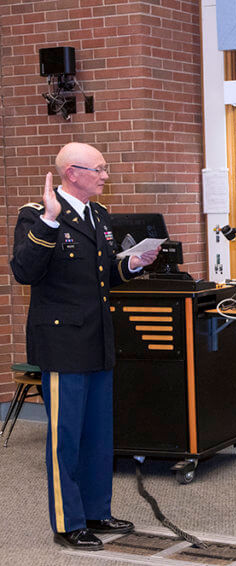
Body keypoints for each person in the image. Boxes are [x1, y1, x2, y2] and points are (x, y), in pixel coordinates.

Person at [10, 142, 159, 551]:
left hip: (98, 340)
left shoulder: (99, 215)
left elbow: (103, 274)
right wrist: (50, 224)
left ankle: (96, 511)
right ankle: (68, 522)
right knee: (67, 437)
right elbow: (24, 270)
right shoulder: (37, 214)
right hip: (62, 344)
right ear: (72, 173)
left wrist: (132, 264)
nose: (105, 176)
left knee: (98, 434)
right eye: (99, 169)